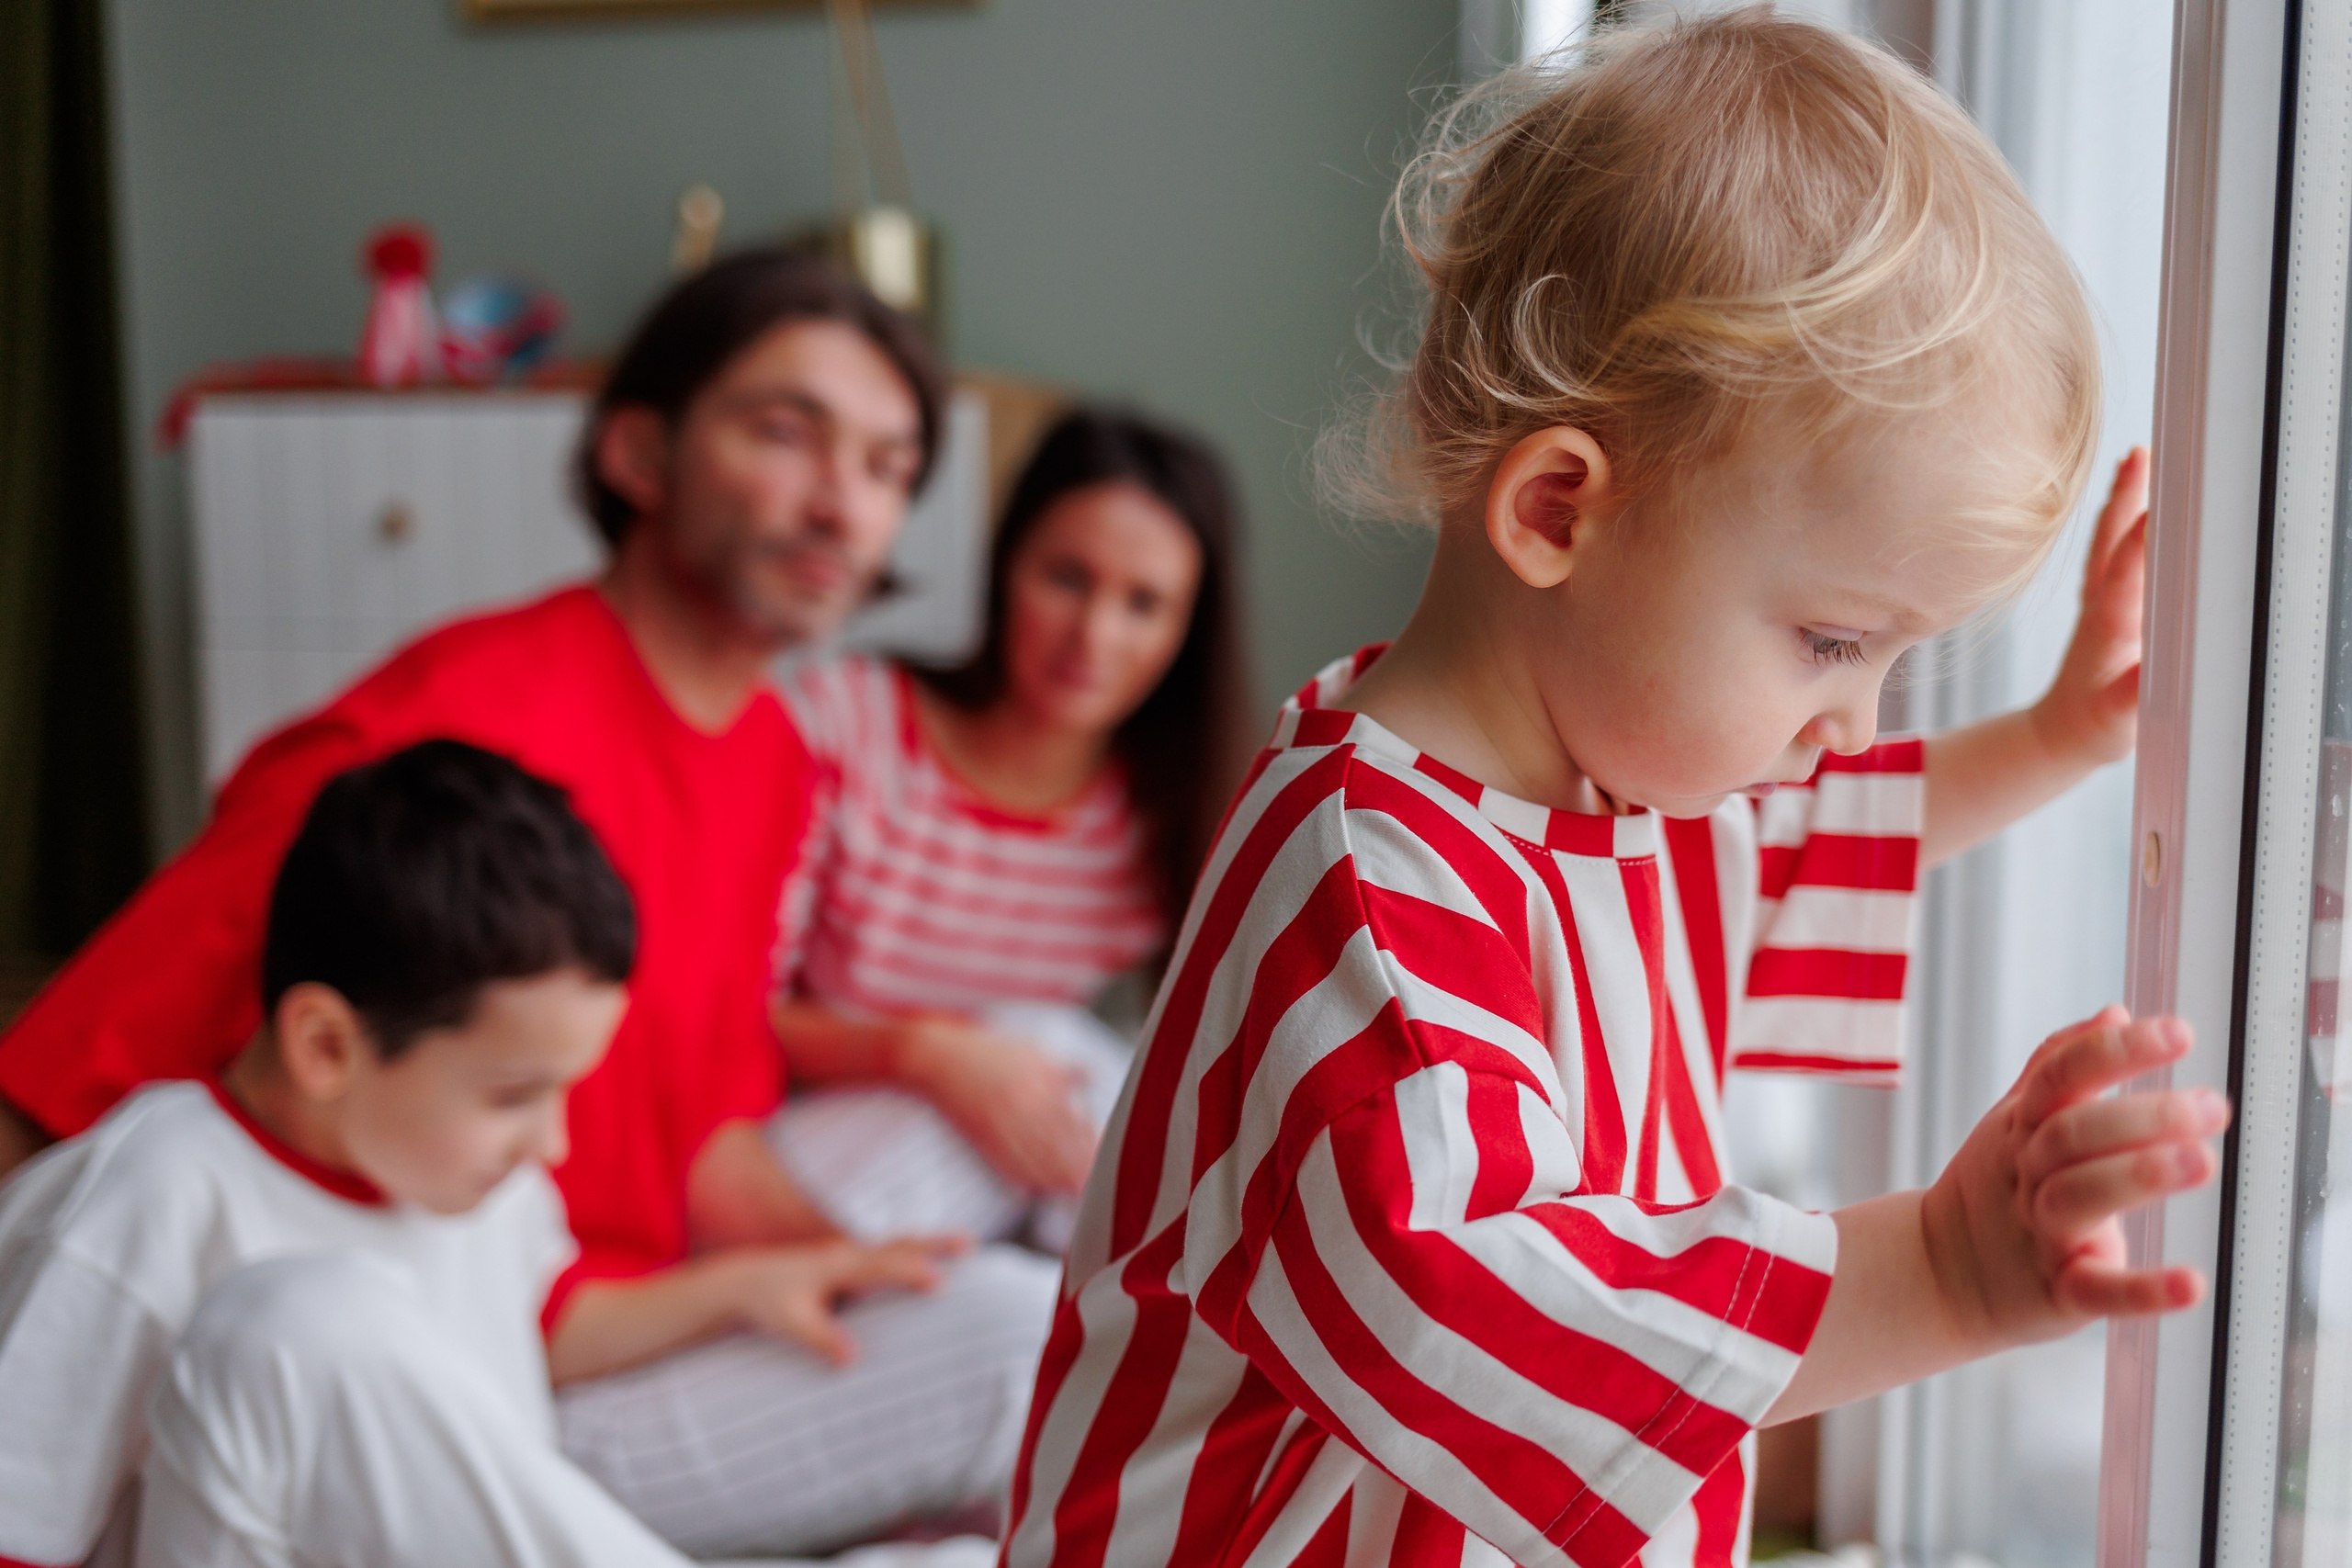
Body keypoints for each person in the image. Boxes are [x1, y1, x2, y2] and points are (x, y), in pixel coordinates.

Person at [1001, 16, 2225, 1568]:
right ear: (1560, 510)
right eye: (1833, 641)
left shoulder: (1606, 795)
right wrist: (1938, 1266)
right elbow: (1475, 1295)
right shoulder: (1370, 899)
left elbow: (1811, 846)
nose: (1851, 722)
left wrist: (2062, 736)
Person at [0, 249, 1058, 1559]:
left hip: (570, 1276)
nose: (844, 503)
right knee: (1024, 1341)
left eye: (892, 465)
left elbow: (706, 1120)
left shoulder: (773, 755)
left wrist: (840, 1262)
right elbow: (54, 1099)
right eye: (789, 433)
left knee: (1043, 1058)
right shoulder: (450, 740)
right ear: (639, 455)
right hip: (503, 1365)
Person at [769, 409, 1251, 1247]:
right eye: (1066, 577)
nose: (1094, 636)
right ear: (1005, 568)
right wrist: (932, 1054)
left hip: (976, 1205)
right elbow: (722, 1013)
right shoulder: (845, 723)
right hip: (787, 1163)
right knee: (1056, 1047)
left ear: (1188, 631)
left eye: (1144, 603)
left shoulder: (1160, 821)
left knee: (1149, 1103)